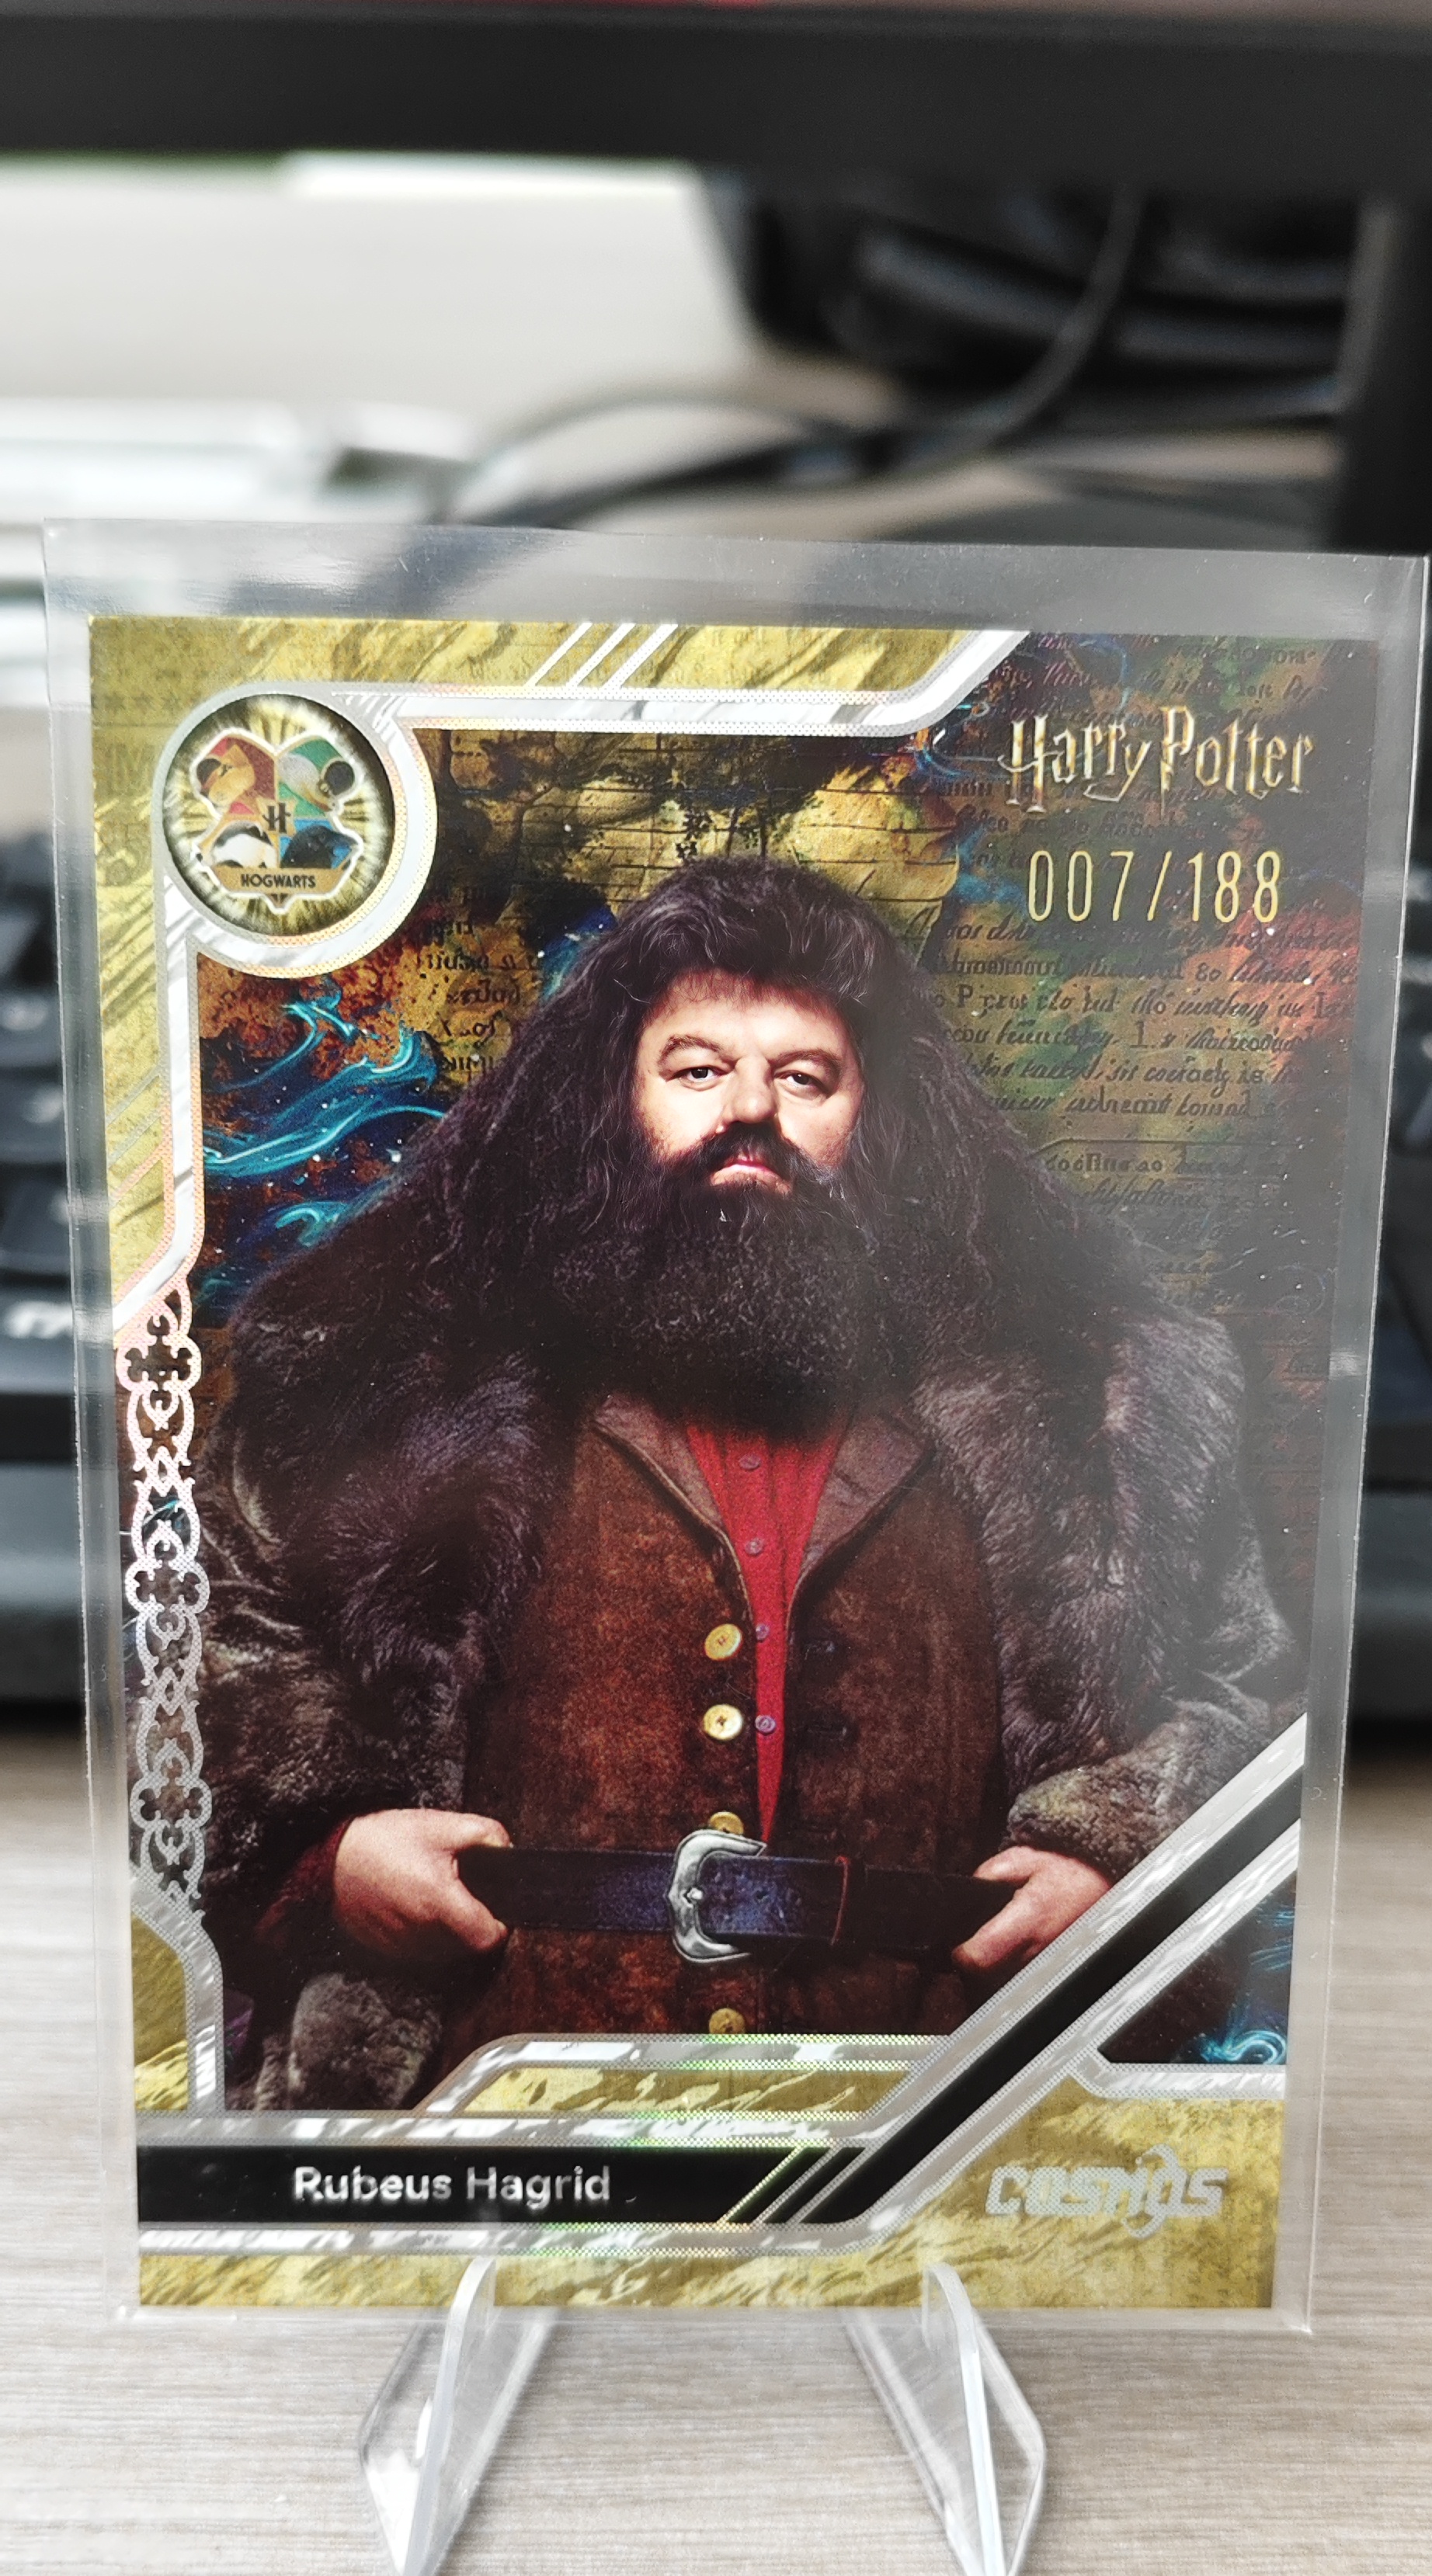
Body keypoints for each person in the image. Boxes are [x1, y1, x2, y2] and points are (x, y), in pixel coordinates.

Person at [196, 854, 1296, 2109]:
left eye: (805, 1077)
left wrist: (1116, 1857)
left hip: (930, 2119)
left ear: (872, 1119)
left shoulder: (1098, 1404)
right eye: (698, 1070)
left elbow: (1244, 1691)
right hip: (496, 2113)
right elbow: (214, 1655)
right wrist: (331, 1856)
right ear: (616, 1101)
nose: (751, 1110)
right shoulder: (382, 1376)